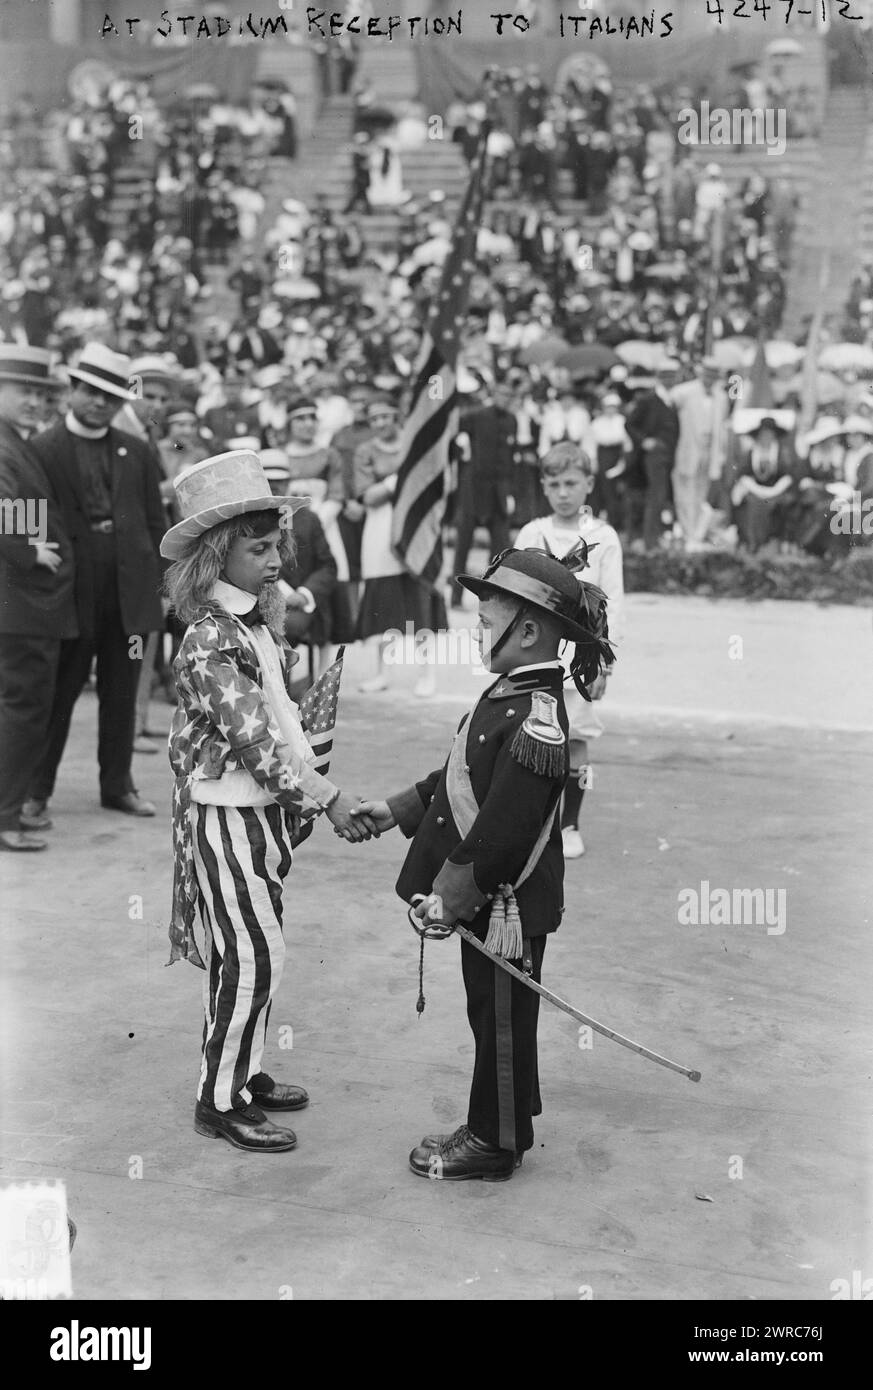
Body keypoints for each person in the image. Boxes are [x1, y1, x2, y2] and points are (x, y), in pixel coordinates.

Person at [356, 547, 615, 1180]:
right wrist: (396, 811)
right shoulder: (512, 693)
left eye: (483, 620)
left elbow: (501, 832)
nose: (475, 631)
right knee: (498, 1010)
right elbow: (459, 778)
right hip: (497, 897)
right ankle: (514, 1110)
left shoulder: (536, 719)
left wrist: (451, 895)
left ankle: (495, 1142)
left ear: (527, 632)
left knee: (497, 1016)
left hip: (505, 900)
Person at [162, 449, 378, 1154]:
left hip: (259, 816)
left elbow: (282, 720)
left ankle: (244, 1072)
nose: (275, 560)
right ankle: (218, 1100)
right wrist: (331, 798)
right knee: (253, 956)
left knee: (250, 949)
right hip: (226, 814)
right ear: (215, 558)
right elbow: (257, 743)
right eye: (257, 549)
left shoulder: (253, 624)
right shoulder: (208, 641)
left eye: (276, 545)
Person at [26, 343, 164, 821]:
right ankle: (36, 788)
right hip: (71, 594)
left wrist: (157, 586)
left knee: (122, 689)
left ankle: (117, 785)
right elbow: (32, 522)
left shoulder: (139, 452)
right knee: (59, 692)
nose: (100, 403)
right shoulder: (42, 449)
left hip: (126, 596)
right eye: (91, 392)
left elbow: (153, 521)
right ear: (72, 390)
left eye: (111, 396)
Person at [515, 443, 624, 859]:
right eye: (555, 484)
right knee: (531, 735)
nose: (563, 492)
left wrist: (604, 664)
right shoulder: (532, 533)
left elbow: (614, 601)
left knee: (575, 737)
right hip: (536, 651)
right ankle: (533, 823)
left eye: (572, 484)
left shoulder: (602, 537)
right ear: (544, 486)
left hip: (580, 654)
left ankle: (570, 823)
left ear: (589, 485)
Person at [0, 346, 76, 852]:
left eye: (41, 394)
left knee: (22, 709)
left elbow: (19, 504)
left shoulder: (13, 441)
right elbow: (5, 510)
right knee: (22, 710)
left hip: (26, 604)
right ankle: (5, 816)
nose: (35, 402)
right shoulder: (5, 446)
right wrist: (31, 552)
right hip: (22, 604)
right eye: (23, 391)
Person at [354, 395, 446, 695]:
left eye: (385, 417)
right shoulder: (365, 451)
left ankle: (427, 673)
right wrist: (399, 480)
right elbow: (367, 496)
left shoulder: (414, 445)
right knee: (384, 602)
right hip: (380, 528)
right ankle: (383, 672)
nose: (380, 424)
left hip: (415, 526)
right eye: (374, 419)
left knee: (419, 596)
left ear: (397, 417)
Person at [671, 358, 730, 551]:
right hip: (688, 448)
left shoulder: (721, 397)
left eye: (714, 375)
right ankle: (687, 532)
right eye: (707, 374)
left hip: (709, 449)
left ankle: (697, 533)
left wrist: (719, 455)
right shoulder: (683, 392)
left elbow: (722, 428)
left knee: (702, 492)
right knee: (685, 492)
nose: (710, 379)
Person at [626, 360, 680, 552]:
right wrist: (644, 441)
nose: (668, 380)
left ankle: (654, 537)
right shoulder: (648, 399)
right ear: (659, 377)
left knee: (662, 496)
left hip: (670, 455)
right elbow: (630, 424)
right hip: (654, 455)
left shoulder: (673, 399)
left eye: (671, 376)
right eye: (665, 376)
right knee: (656, 496)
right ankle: (650, 541)